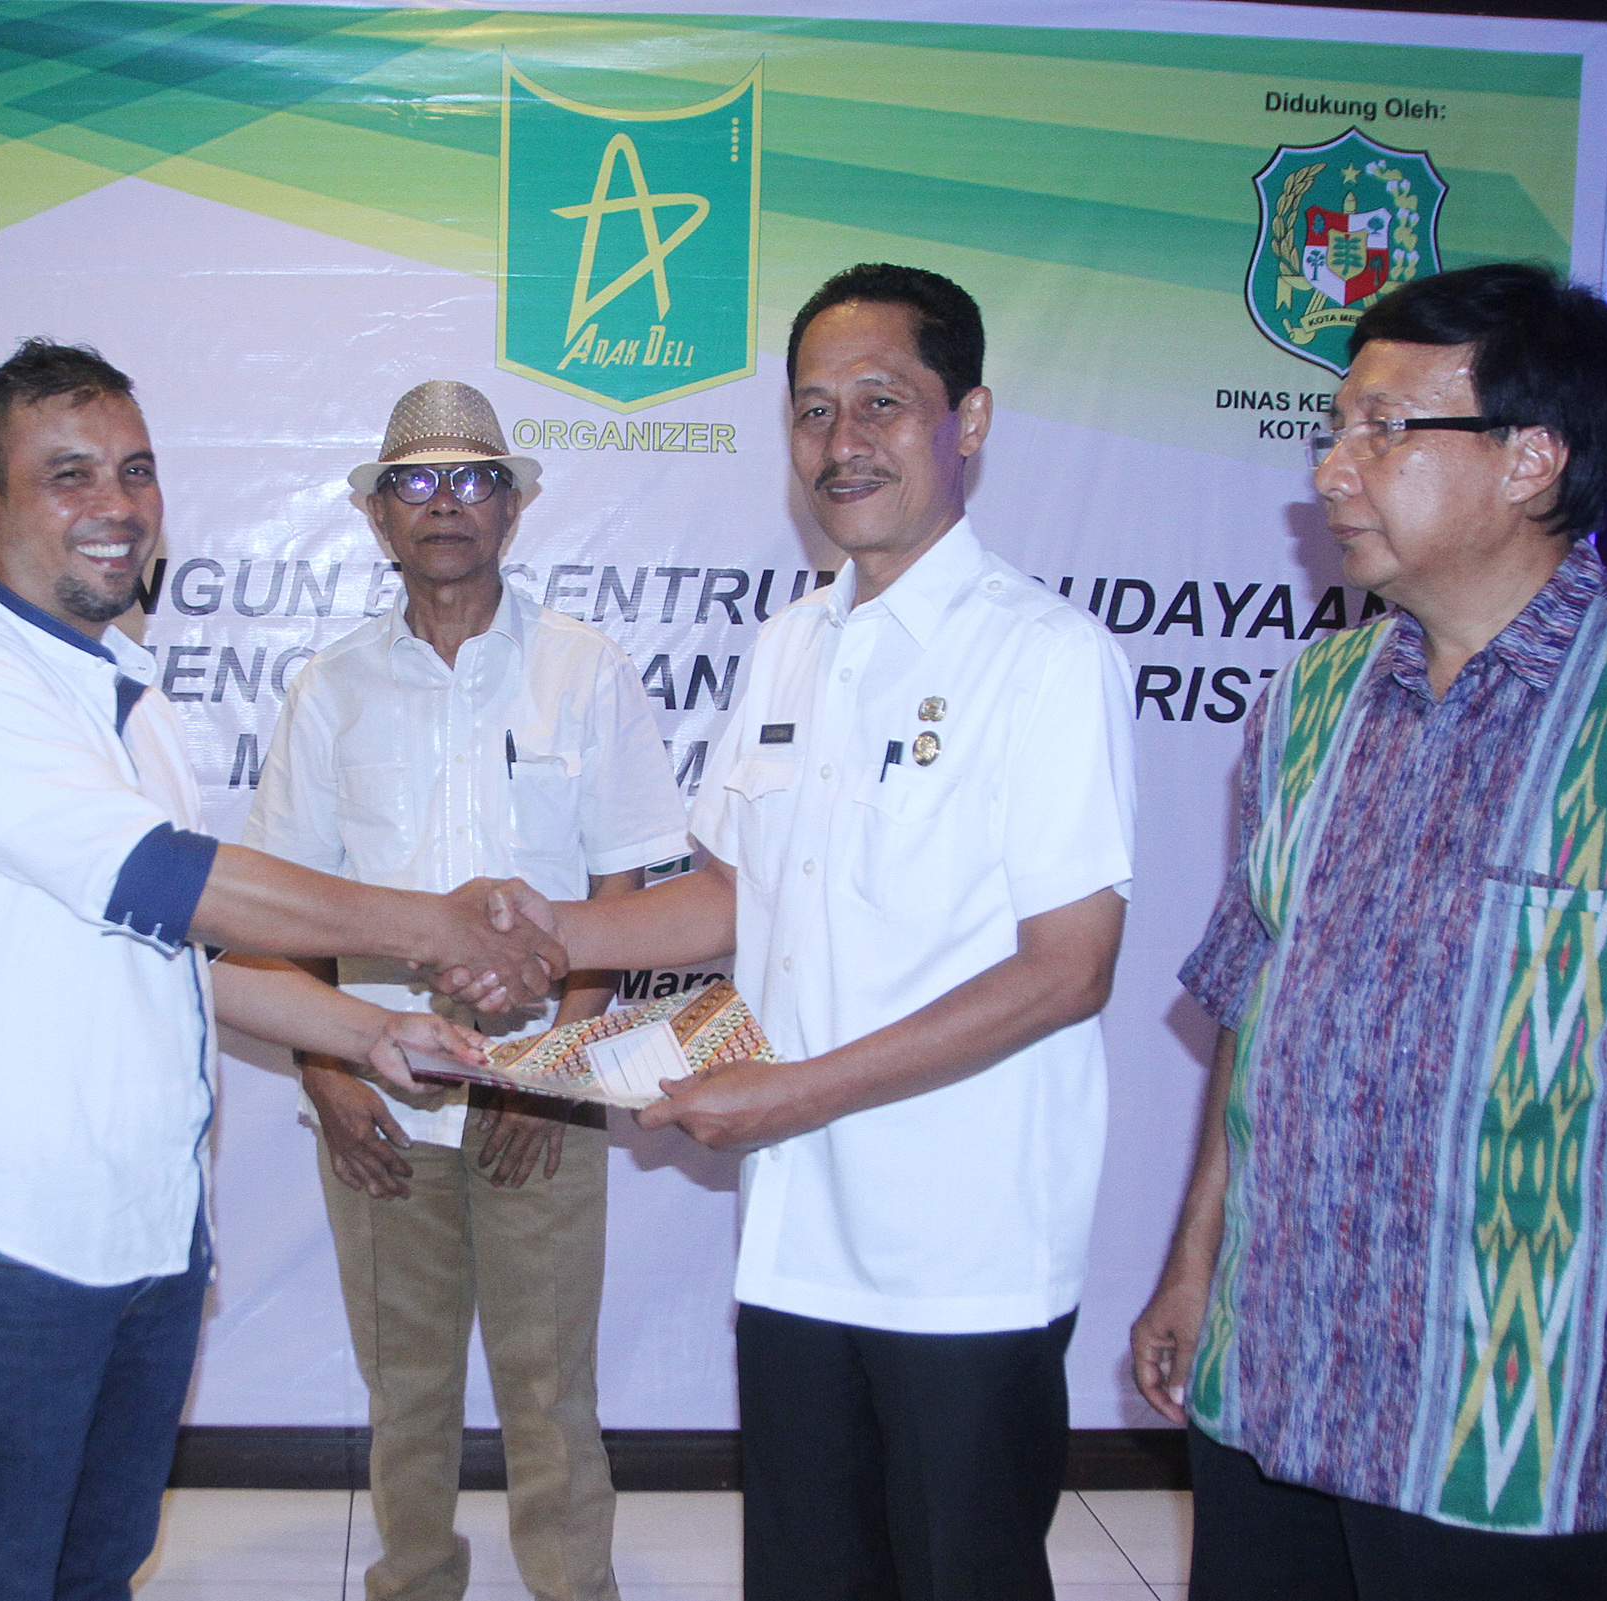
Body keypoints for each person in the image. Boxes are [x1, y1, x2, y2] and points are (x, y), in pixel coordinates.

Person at [1128, 263, 1607, 1600]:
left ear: (1531, 458)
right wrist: (1194, 1260)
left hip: (1507, 1406)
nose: (1332, 470)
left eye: (1383, 429)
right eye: (1335, 429)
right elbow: (1254, 1001)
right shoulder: (1313, 697)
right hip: (1274, 1371)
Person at [458, 263, 1138, 1600]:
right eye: (813, 410)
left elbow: (1070, 967)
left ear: (969, 419)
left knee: (960, 1575)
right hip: (793, 1240)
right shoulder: (788, 645)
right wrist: (549, 928)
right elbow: (729, 893)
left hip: (962, 1252)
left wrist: (797, 1091)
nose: (841, 442)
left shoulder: (1046, 658)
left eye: (881, 402)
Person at [0, 339, 568, 1601]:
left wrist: (368, 1033)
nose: (116, 504)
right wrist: (437, 925)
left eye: (135, 470)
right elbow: (175, 883)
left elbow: (186, 960)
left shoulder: (130, 700)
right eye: (69, 474)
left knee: (97, 1567)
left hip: (146, 1230)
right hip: (9, 1238)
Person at [245, 379, 690, 1601]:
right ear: (377, 514)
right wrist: (327, 1073)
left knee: (551, 1389)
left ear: (513, 506)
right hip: (378, 1102)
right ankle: (414, 1581)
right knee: (407, 1389)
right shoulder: (329, 687)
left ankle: (573, 1586)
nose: (446, 503)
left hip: (542, 1099)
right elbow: (283, 911)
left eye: (474, 479)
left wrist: (554, 1077)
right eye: (417, 482)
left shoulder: (584, 670)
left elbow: (621, 891)